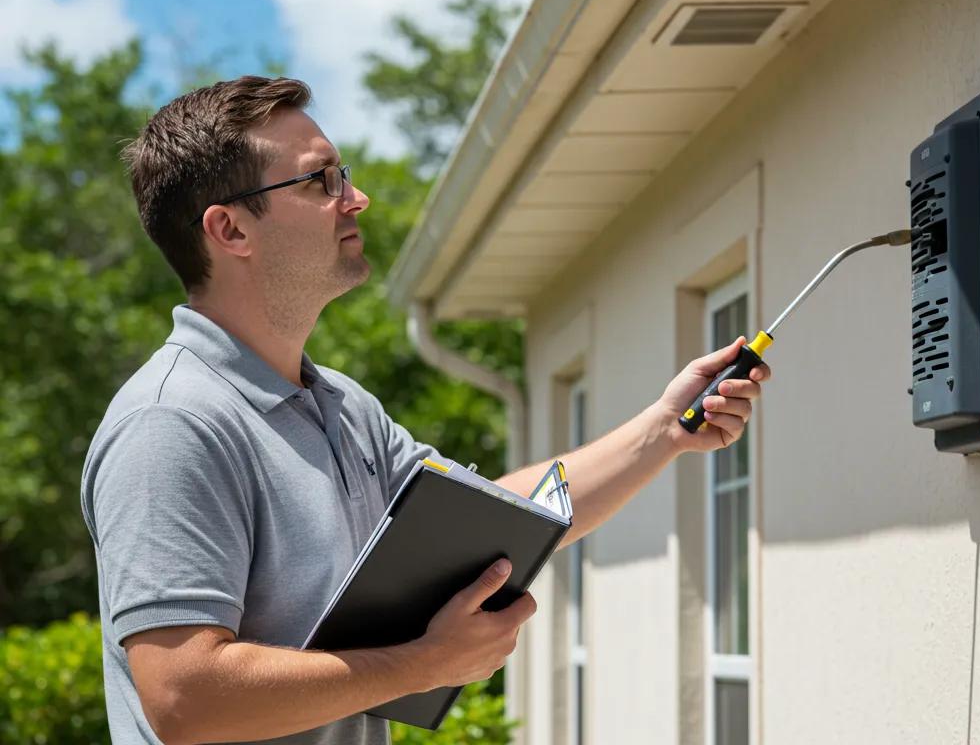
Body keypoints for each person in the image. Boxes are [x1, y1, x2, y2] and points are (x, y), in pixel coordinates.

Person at [80, 76, 769, 745]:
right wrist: (421, 665)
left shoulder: (343, 408)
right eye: (322, 181)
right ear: (230, 230)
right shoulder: (172, 424)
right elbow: (182, 697)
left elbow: (496, 514)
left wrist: (666, 428)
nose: (358, 198)